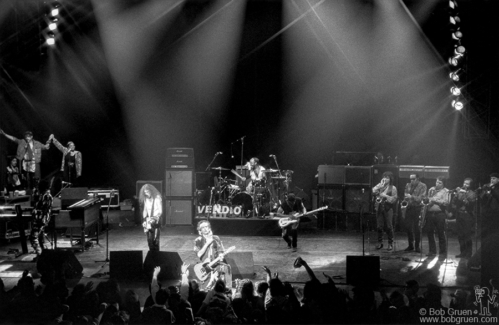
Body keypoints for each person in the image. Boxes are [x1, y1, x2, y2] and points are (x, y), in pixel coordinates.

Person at [193, 220, 232, 290]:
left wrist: (221, 255)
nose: (205, 229)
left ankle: (228, 289)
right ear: (200, 230)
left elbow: (220, 250)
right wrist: (207, 243)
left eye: (207, 226)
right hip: (204, 265)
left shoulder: (216, 238)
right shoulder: (198, 240)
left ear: (209, 228)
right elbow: (199, 254)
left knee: (227, 267)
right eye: (203, 227)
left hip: (215, 263)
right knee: (205, 289)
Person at [424, 176, 451, 260]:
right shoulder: (431, 189)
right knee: (430, 233)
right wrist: (426, 200)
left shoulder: (447, 191)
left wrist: (435, 200)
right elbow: (428, 200)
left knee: (441, 233)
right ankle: (432, 251)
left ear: (443, 184)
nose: (437, 184)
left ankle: (442, 252)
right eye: (437, 182)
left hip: (440, 214)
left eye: (440, 183)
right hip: (430, 213)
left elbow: (446, 202)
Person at [451, 177, 477, 258]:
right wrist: (456, 195)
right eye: (464, 183)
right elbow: (453, 202)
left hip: (467, 215)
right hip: (459, 214)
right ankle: (462, 252)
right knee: (460, 235)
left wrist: (464, 194)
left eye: (467, 184)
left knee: (467, 235)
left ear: (470, 185)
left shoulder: (472, 193)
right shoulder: (459, 192)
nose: (464, 185)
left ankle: (469, 253)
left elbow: (469, 204)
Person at [372, 171, 398, 250]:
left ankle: (390, 243)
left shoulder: (393, 188)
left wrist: (385, 196)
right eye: (384, 177)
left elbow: (393, 199)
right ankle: (380, 242)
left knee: (389, 227)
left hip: (388, 209)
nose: (385, 179)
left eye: (387, 178)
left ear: (390, 179)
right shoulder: (380, 186)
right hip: (379, 208)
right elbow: (373, 191)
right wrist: (380, 185)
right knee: (379, 226)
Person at [402, 173, 427, 252]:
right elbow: (405, 196)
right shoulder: (408, 185)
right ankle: (410, 245)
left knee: (417, 228)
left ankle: (417, 246)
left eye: (413, 179)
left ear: (418, 179)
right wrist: (405, 199)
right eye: (410, 179)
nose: (411, 181)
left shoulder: (423, 186)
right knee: (408, 227)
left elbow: (421, 198)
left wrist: (411, 197)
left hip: (417, 208)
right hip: (409, 207)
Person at [29, 190, 53, 261]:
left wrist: (35, 212)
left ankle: (40, 255)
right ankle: (42, 254)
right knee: (40, 238)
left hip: (40, 220)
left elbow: (44, 209)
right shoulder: (45, 195)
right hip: (41, 219)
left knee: (33, 237)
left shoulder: (45, 196)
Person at [139, 184, 163, 251]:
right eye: (145, 192)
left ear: (151, 191)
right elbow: (145, 210)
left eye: (147, 192)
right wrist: (144, 220)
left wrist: (154, 218)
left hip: (156, 220)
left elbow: (160, 211)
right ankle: (151, 254)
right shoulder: (146, 198)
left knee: (155, 240)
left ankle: (156, 255)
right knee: (149, 240)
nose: (146, 194)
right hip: (149, 220)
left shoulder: (157, 198)